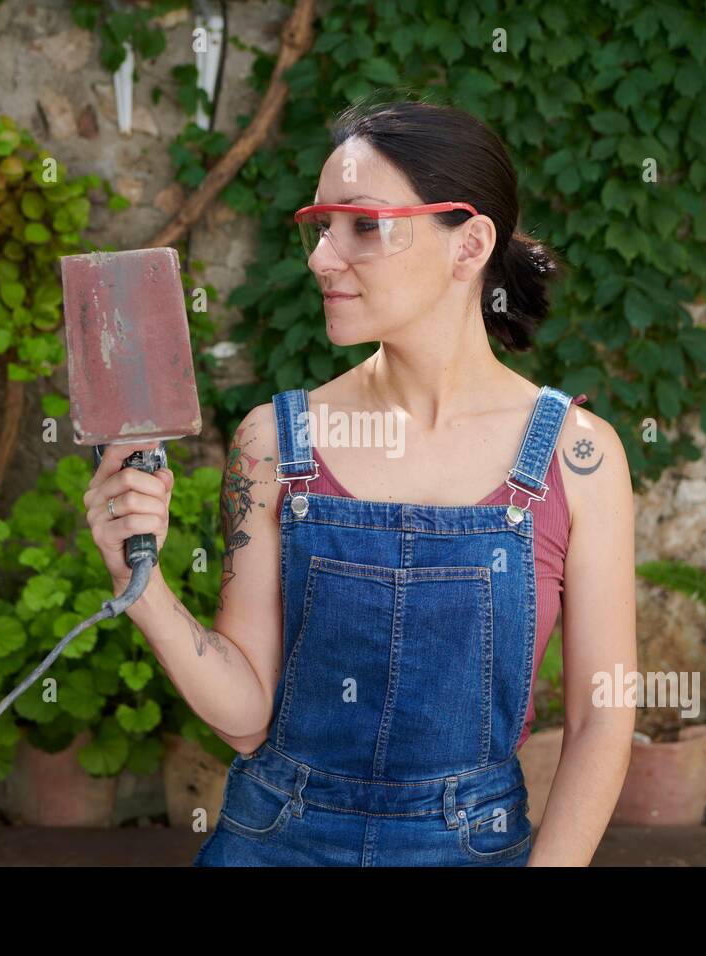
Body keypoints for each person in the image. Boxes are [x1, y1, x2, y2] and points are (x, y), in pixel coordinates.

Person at [84, 99, 636, 866]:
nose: (320, 257)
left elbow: (601, 720)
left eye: (364, 226)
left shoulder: (580, 459)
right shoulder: (274, 443)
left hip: (471, 848)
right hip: (272, 840)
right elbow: (246, 718)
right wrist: (138, 583)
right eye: (322, 226)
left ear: (470, 242)